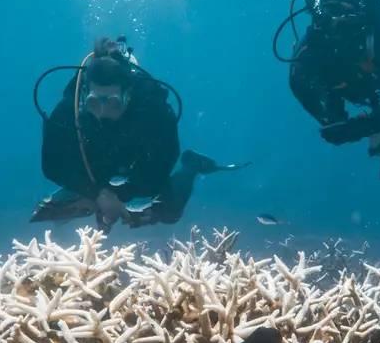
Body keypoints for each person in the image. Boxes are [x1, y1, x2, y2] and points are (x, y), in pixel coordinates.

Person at [35, 37, 244, 230]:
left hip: (138, 167)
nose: (102, 112)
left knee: (170, 213)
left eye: (113, 103)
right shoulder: (70, 107)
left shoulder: (152, 109)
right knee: (51, 209)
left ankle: (191, 167)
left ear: (128, 95)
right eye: (93, 102)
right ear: (84, 95)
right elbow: (52, 165)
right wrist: (98, 194)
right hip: (92, 167)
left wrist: (125, 195)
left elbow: (164, 162)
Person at [289, 0, 380, 177]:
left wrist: (349, 129)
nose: (341, 19)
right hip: (344, 87)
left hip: (368, 85)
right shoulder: (308, 56)